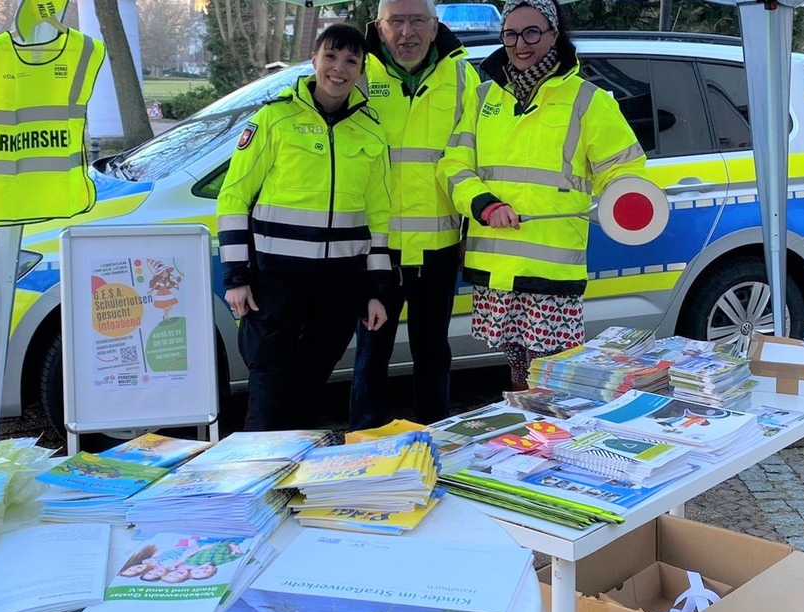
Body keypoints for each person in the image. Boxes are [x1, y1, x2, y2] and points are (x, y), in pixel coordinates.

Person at [437, 0, 646, 391]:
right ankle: (527, 441)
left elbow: (624, 170)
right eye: (511, 34)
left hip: (551, 271)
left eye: (532, 32)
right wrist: (485, 205)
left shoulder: (588, 100)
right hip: (497, 266)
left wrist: (625, 206)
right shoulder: (482, 98)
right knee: (517, 375)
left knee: (554, 381)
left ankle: (554, 443)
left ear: (554, 34)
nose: (521, 44)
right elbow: (453, 166)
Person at [218, 23, 392, 431]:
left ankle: (296, 480)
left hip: (339, 284)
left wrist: (377, 291)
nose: (339, 68)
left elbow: (379, 217)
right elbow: (233, 199)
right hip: (276, 281)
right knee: (269, 384)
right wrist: (236, 276)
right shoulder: (274, 119)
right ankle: (255, 478)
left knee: (310, 385)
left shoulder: (371, 130)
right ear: (314, 60)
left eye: (351, 60)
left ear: (361, 69)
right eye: (330, 56)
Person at [349, 0, 480, 431]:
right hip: (374, 251)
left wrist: (470, 234)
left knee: (432, 353)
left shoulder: (463, 76)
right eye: (397, 21)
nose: (407, 32)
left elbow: (480, 160)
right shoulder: (356, 71)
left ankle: (435, 439)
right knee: (370, 355)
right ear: (379, 26)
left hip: (437, 249)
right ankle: (365, 445)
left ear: (434, 24)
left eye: (417, 21)